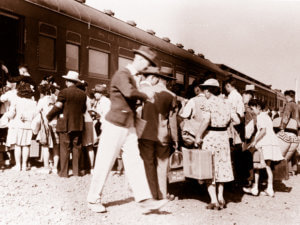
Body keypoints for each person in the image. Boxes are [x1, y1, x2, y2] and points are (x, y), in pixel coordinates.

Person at [87, 45, 169, 213]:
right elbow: (129, 92)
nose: (146, 68)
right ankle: (93, 199)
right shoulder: (123, 74)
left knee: (135, 162)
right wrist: (146, 95)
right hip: (115, 125)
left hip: (128, 125)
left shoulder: (132, 76)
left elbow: (131, 96)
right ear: (138, 59)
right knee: (105, 162)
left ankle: (144, 200)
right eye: (146, 64)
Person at [195, 78, 240, 210]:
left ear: (208, 90)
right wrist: (225, 124)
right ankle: (221, 197)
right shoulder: (227, 103)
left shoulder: (208, 102)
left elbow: (206, 121)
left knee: (210, 168)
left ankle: (213, 200)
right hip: (223, 137)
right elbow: (237, 120)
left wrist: (198, 135)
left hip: (211, 137)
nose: (204, 92)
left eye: (205, 90)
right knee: (221, 167)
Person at [139, 66, 178, 200]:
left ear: (157, 78)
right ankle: (162, 194)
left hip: (146, 133)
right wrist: (175, 139)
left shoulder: (145, 92)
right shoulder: (172, 96)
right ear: (169, 81)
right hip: (163, 135)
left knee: (148, 163)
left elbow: (139, 112)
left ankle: (151, 195)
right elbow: (172, 121)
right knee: (162, 165)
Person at [47, 71, 87, 177]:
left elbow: (58, 106)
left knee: (64, 148)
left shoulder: (63, 92)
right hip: (78, 125)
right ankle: (76, 172)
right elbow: (84, 109)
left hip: (65, 124)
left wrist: (49, 116)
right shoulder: (83, 94)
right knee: (76, 147)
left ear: (68, 81)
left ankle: (64, 172)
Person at [243, 99, 284, 197]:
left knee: (257, 165)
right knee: (267, 166)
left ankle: (255, 188)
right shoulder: (267, 116)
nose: (252, 111)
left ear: (258, 107)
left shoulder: (260, 117)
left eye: (252, 109)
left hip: (264, 143)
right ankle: (269, 188)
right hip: (271, 142)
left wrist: (255, 141)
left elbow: (263, 131)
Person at [7, 83, 37, 171]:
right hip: (28, 126)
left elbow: (11, 114)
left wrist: (7, 116)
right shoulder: (33, 102)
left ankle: (18, 165)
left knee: (17, 145)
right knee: (26, 145)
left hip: (17, 125)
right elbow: (35, 114)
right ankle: (24, 165)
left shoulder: (16, 101)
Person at [36, 83, 56, 174]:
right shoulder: (55, 99)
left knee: (46, 146)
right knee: (55, 146)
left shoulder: (42, 100)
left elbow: (37, 111)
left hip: (46, 123)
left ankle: (46, 166)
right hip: (55, 123)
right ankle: (54, 166)